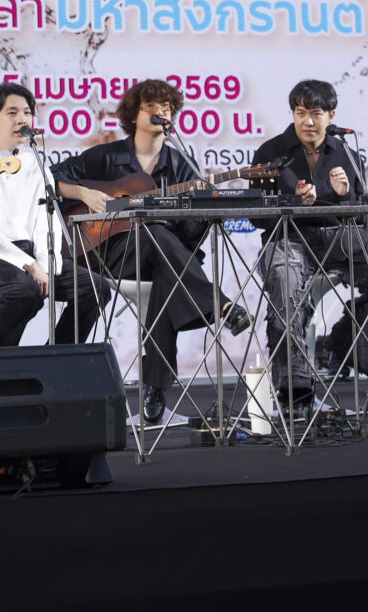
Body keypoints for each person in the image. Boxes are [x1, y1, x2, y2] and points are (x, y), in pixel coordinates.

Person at [53, 78, 250, 425]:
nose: (161, 112)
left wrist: (205, 210)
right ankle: (217, 303)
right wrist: (84, 194)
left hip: (161, 257)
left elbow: (188, 237)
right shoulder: (108, 156)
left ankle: (155, 387)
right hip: (108, 253)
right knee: (154, 234)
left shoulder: (181, 164)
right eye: (151, 107)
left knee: (163, 263)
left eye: (167, 107)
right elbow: (51, 177)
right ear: (134, 114)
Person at [252, 78, 368, 416]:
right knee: (285, 283)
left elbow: (363, 213)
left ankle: (339, 347)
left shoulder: (346, 152)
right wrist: (293, 203)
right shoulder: (270, 153)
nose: (308, 121)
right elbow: (256, 215)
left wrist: (345, 195)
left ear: (331, 116)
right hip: (291, 239)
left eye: (316, 113)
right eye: (300, 113)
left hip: (339, 242)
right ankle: (295, 391)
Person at [0, 83, 109, 346]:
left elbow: (46, 219)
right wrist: (29, 265)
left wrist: (45, 264)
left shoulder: (33, 161)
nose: (22, 119)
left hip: (30, 253)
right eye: (12, 113)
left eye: (26, 112)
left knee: (95, 287)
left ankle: (57, 357)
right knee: (24, 291)